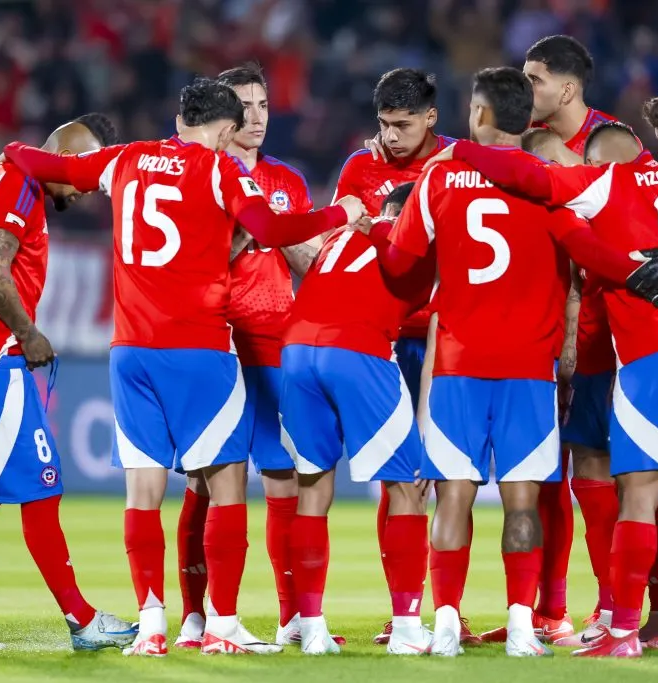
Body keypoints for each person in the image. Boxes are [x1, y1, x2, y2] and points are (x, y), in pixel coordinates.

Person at [1, 78, 365, 657]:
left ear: (179, 120)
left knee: (142, 492)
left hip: (130, 352)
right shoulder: (222, 170)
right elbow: (272, 230)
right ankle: (222, 625)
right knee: (226, 486)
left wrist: (13, 152)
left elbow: (52, 165)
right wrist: (338, 211)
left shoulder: (126, 158)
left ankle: (152, 627)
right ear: (226, 130)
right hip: (199, 350)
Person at [366, 67, 658, 658]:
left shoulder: (439, 176)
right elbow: (592, 252)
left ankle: (445, 624)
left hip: (458, 366)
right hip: (528, 370)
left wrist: (380, 232)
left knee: (452, 495)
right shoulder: (548, 183)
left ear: (480, 114)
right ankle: (523, 624)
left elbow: (398, 267)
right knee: (523, 501)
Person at [438, 119, 658, 657]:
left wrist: (463, 149)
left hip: (652, 358)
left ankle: (624, 631)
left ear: (599, 161)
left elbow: (532, 181)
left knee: (637, 494)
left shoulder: (603, 183)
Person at [488, 34, 658, 646]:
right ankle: (566, 610)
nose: (525, 88)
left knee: (633, 477)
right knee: (562, 472)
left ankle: (652, 610)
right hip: (554, 326)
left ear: (567, 88)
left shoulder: (612, 142)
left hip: (614, 326)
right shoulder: (535, 142)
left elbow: (640, 229)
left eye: (534, 79)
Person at [0, 114, 137, 653]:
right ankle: (83, 622)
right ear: (66, 156)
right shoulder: (17, 187)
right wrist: (28, 334)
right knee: (43, 488)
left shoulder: (5, 178)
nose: (85, 190)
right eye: (84, 174)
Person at [172, 63, 331, 650]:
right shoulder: (197, 172)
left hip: (272, 340)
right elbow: (189, 259)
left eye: (263, 104)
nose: (256, 116)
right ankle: (197, 616)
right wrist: (250, 230)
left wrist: (308, 245)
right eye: (244, 105)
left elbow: (307, 260)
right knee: (207, 478)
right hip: (214, 338)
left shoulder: (285, 179)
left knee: (283, 475)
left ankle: (291, 617)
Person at [333, 67, 471, 646]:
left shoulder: (460, 163)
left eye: (403, 125)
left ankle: (449, 609)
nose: (391, 137)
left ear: (431, 118)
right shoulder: (358, 168)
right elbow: (338, 243)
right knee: (398, 478)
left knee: (449, 477)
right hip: (381, 339)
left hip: (448, 336)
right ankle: (405, 609)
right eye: (384, 124)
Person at [278, 181, 435, 656]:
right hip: (357, 349)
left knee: (312, 487)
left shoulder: (341, 237)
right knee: (408, 486)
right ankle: (407, 629)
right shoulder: (413, 240)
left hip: (297, 349)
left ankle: (312, 629)